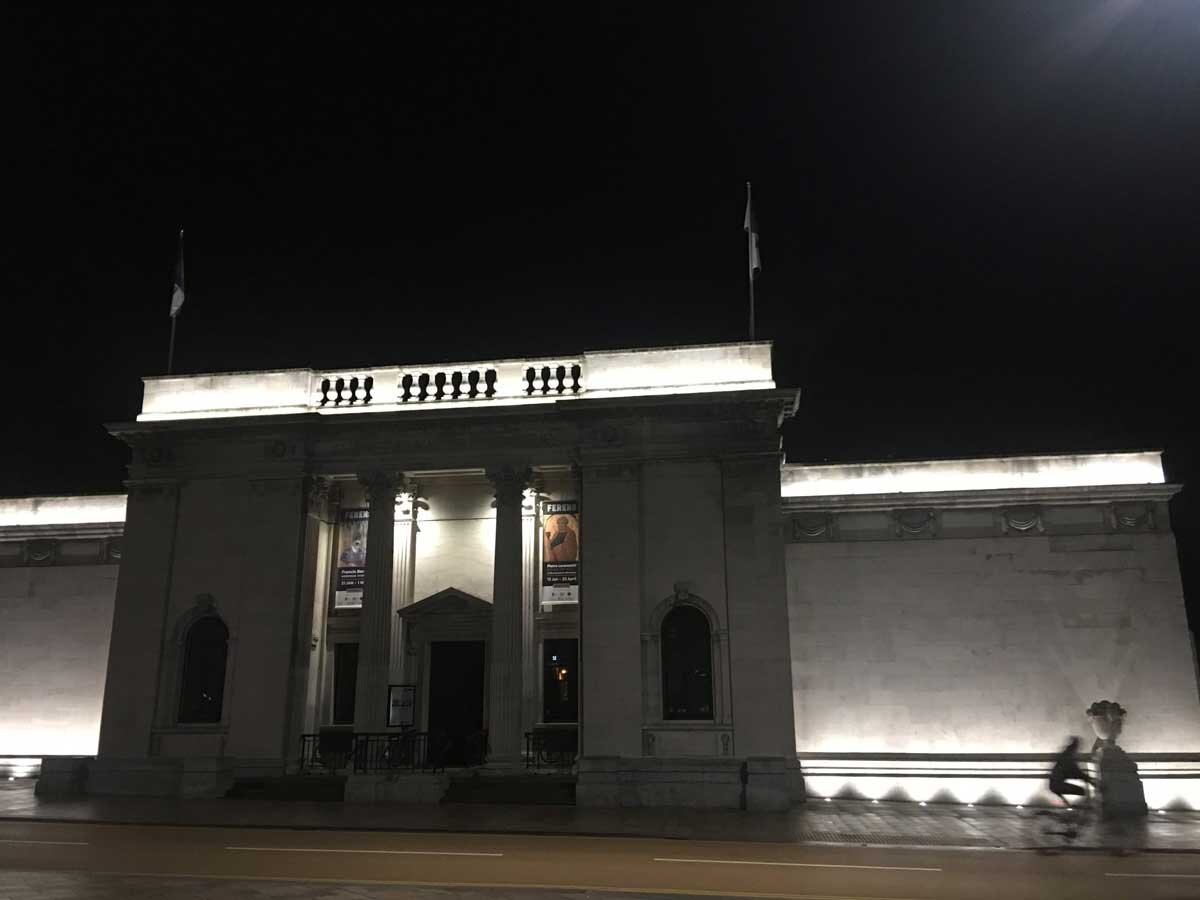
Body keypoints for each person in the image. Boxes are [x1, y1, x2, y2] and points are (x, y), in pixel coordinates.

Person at [1049, 736, 1095, 807]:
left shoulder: (1066, 754)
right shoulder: (1069, 757)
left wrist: (1088, 780)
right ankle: (1081, 809)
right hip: (1058, 785)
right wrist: (1092, 782)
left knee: (1082, 792)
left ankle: (1075, 808)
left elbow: (1075, 773)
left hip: (1054, 784)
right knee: (1083, 791)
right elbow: (1077, 773)